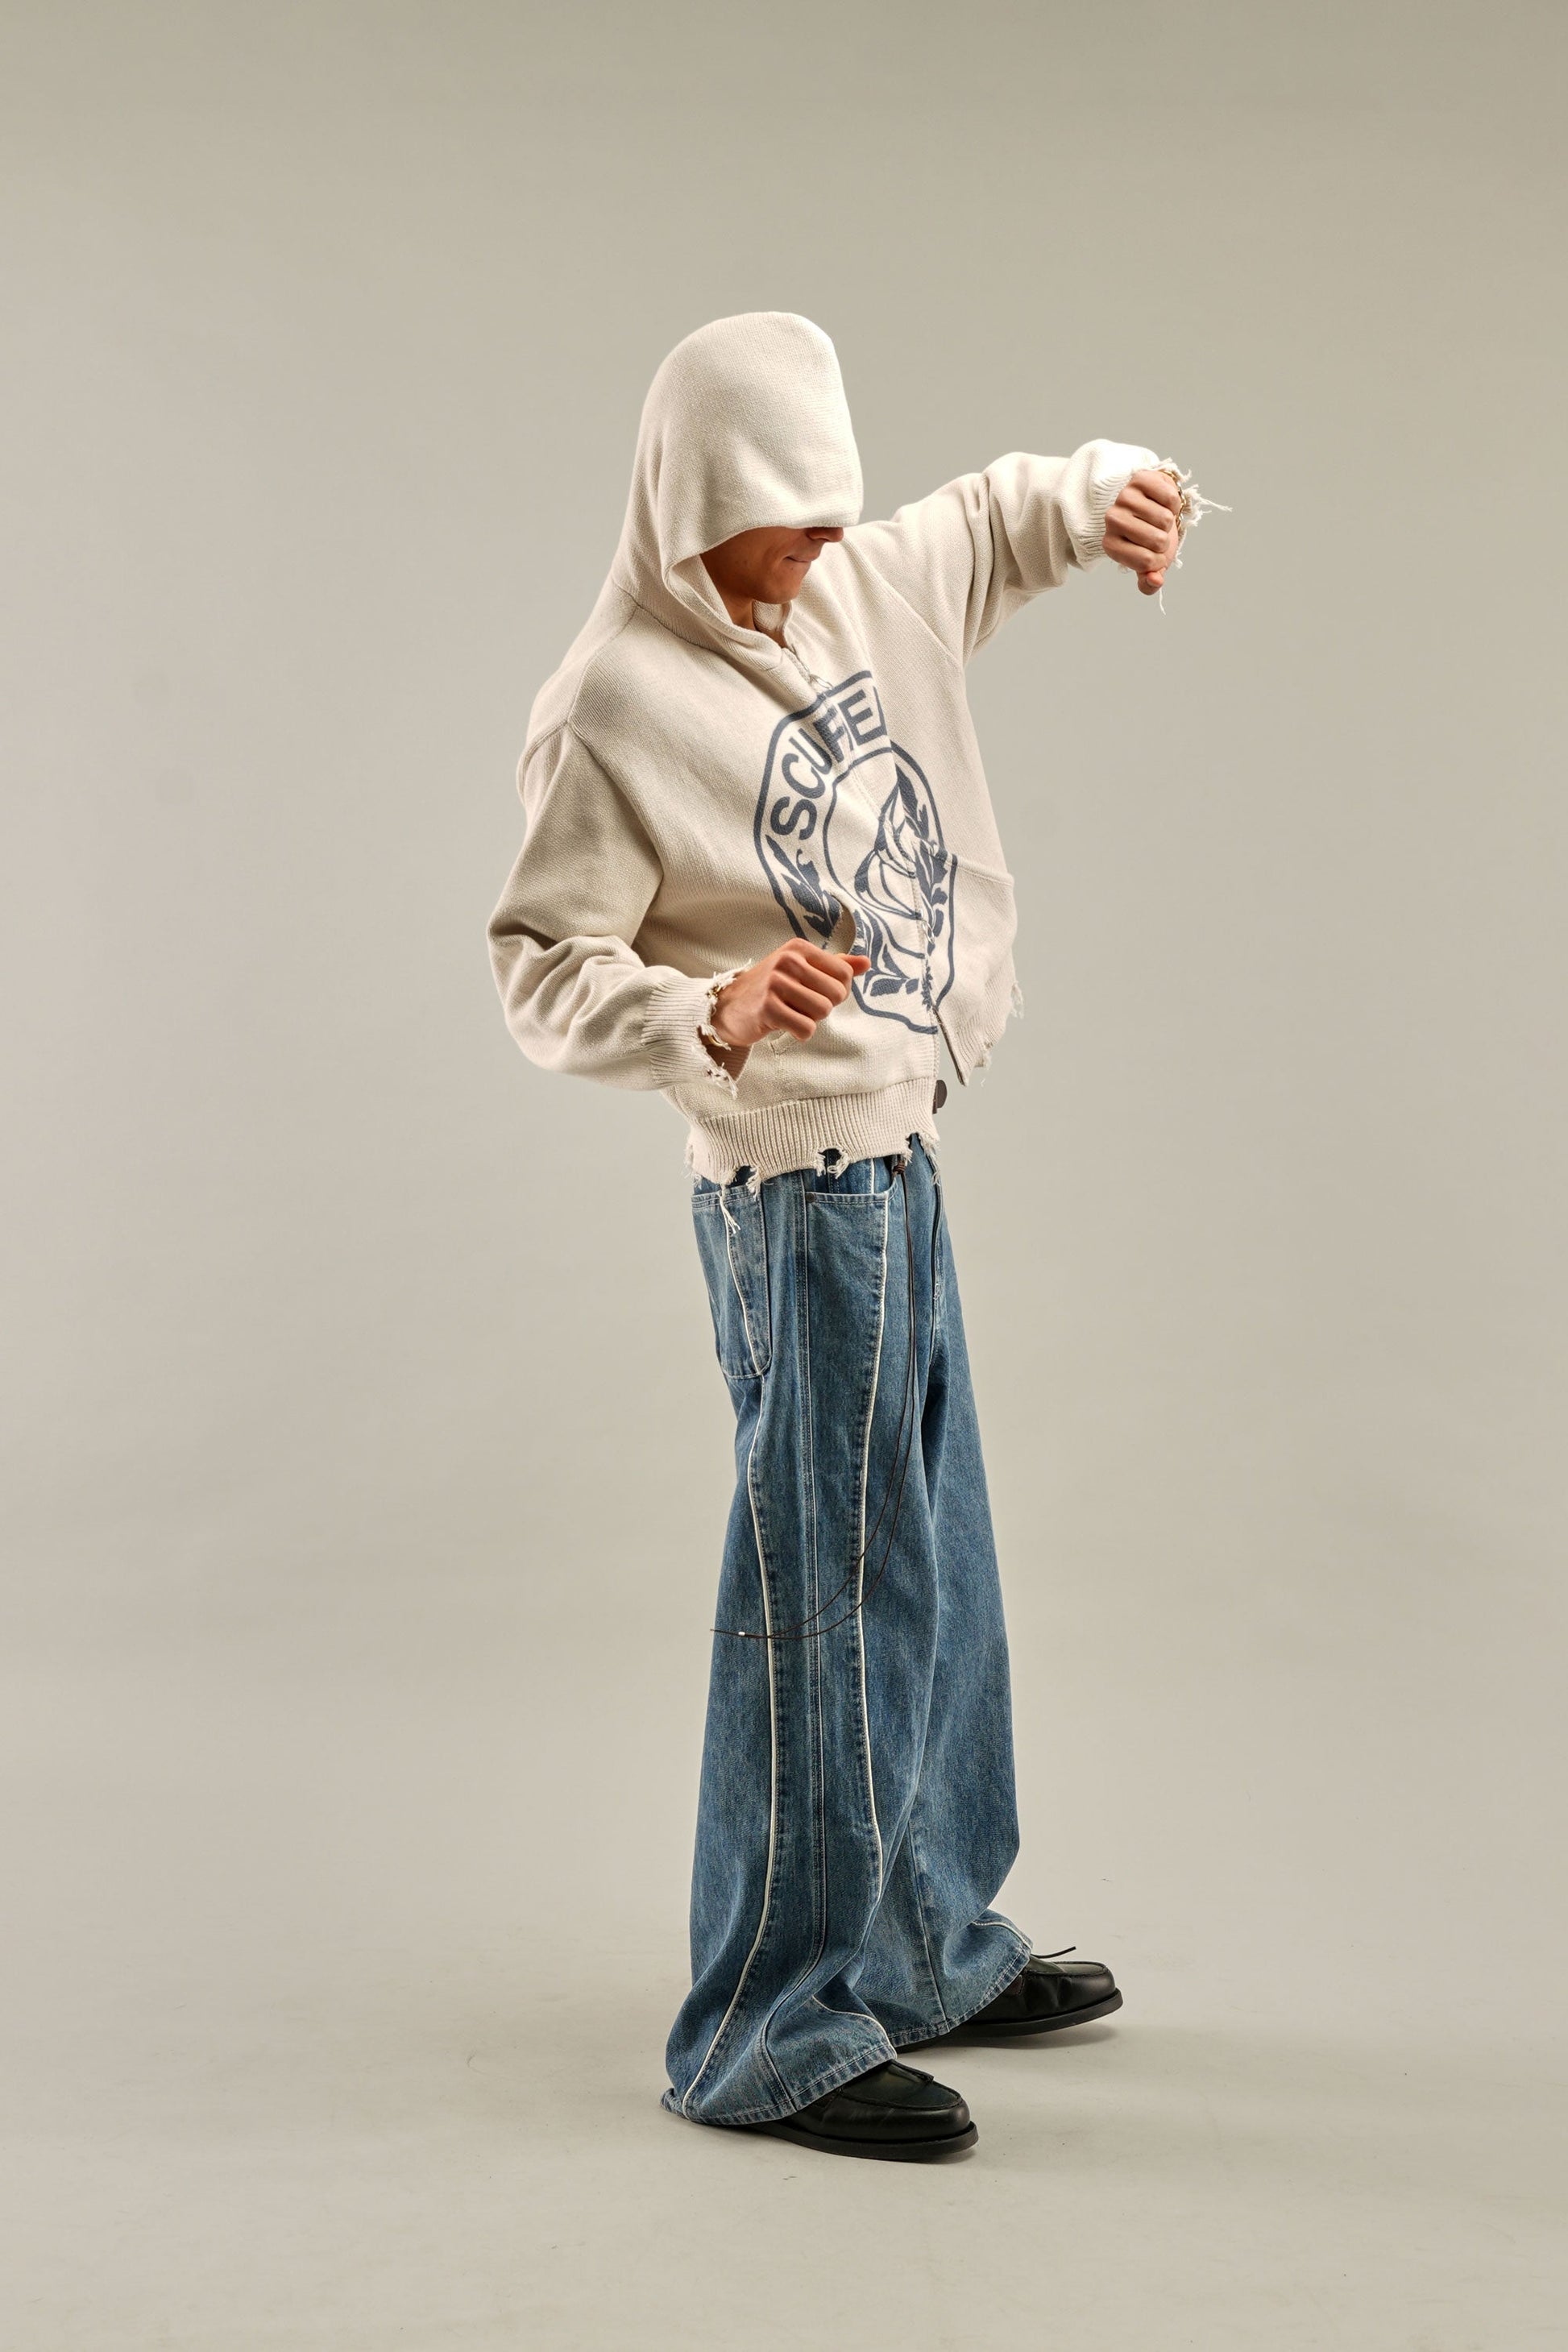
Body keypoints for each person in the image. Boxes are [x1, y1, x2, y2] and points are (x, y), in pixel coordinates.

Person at [487, 312, 1217, 2162]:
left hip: (898, 1164)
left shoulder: (851, 586)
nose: (818, 548)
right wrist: (707, 1014)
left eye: (831, 510)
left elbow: (990, 519)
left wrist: (1111, 492)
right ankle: (763, 2024)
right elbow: (542, 964)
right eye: (784, 518)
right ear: (692, 502)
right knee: (820, 1600)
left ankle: (921, 1940)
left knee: (934, 1565)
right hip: (791, 1199)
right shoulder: (611, 703)